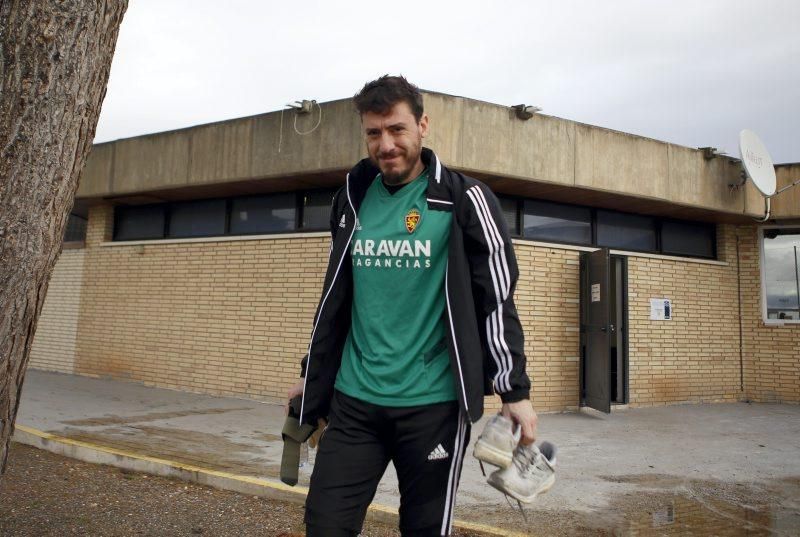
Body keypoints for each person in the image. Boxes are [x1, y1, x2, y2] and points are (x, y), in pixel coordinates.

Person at [287, 75, 537, 537]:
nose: (386, 144)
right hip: (354, 400)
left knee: (424, 529)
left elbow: (496, 297)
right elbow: (336, 296)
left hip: (433, 405)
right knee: (324, 524)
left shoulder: (465, 200)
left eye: (397, 129)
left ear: (422, 125)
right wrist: (313, 372)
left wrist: (514, 392)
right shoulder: (352, 199)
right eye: (374, 133)